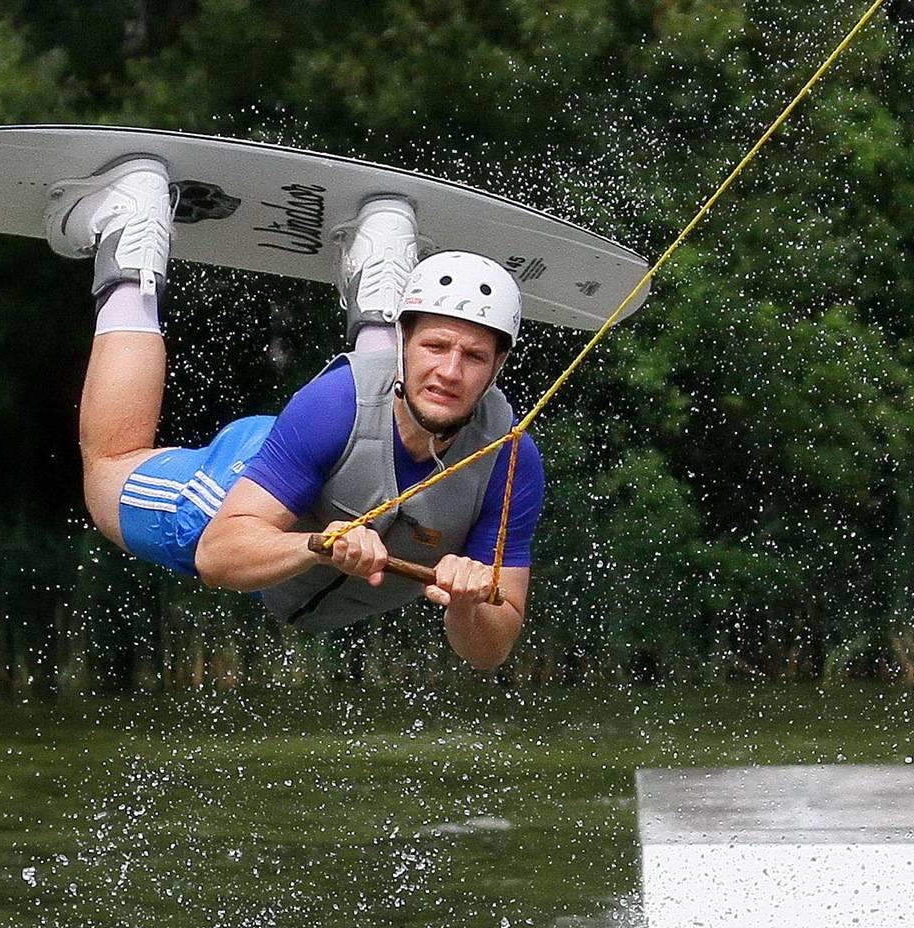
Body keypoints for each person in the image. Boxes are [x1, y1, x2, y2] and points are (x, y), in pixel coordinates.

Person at [45, 157, 543, 668]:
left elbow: (492, 649)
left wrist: (469, 602)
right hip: (255, 476)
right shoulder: (333, 403)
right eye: (434, 346)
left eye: (474, 357)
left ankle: (381, 259)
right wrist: (318, 544)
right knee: (107, 475)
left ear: (498, 366)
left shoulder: (510, 463)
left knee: (401, 398)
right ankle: (131, 236)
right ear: (404, 341)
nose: (451, 372)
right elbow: (216, 555)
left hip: (335, 455)